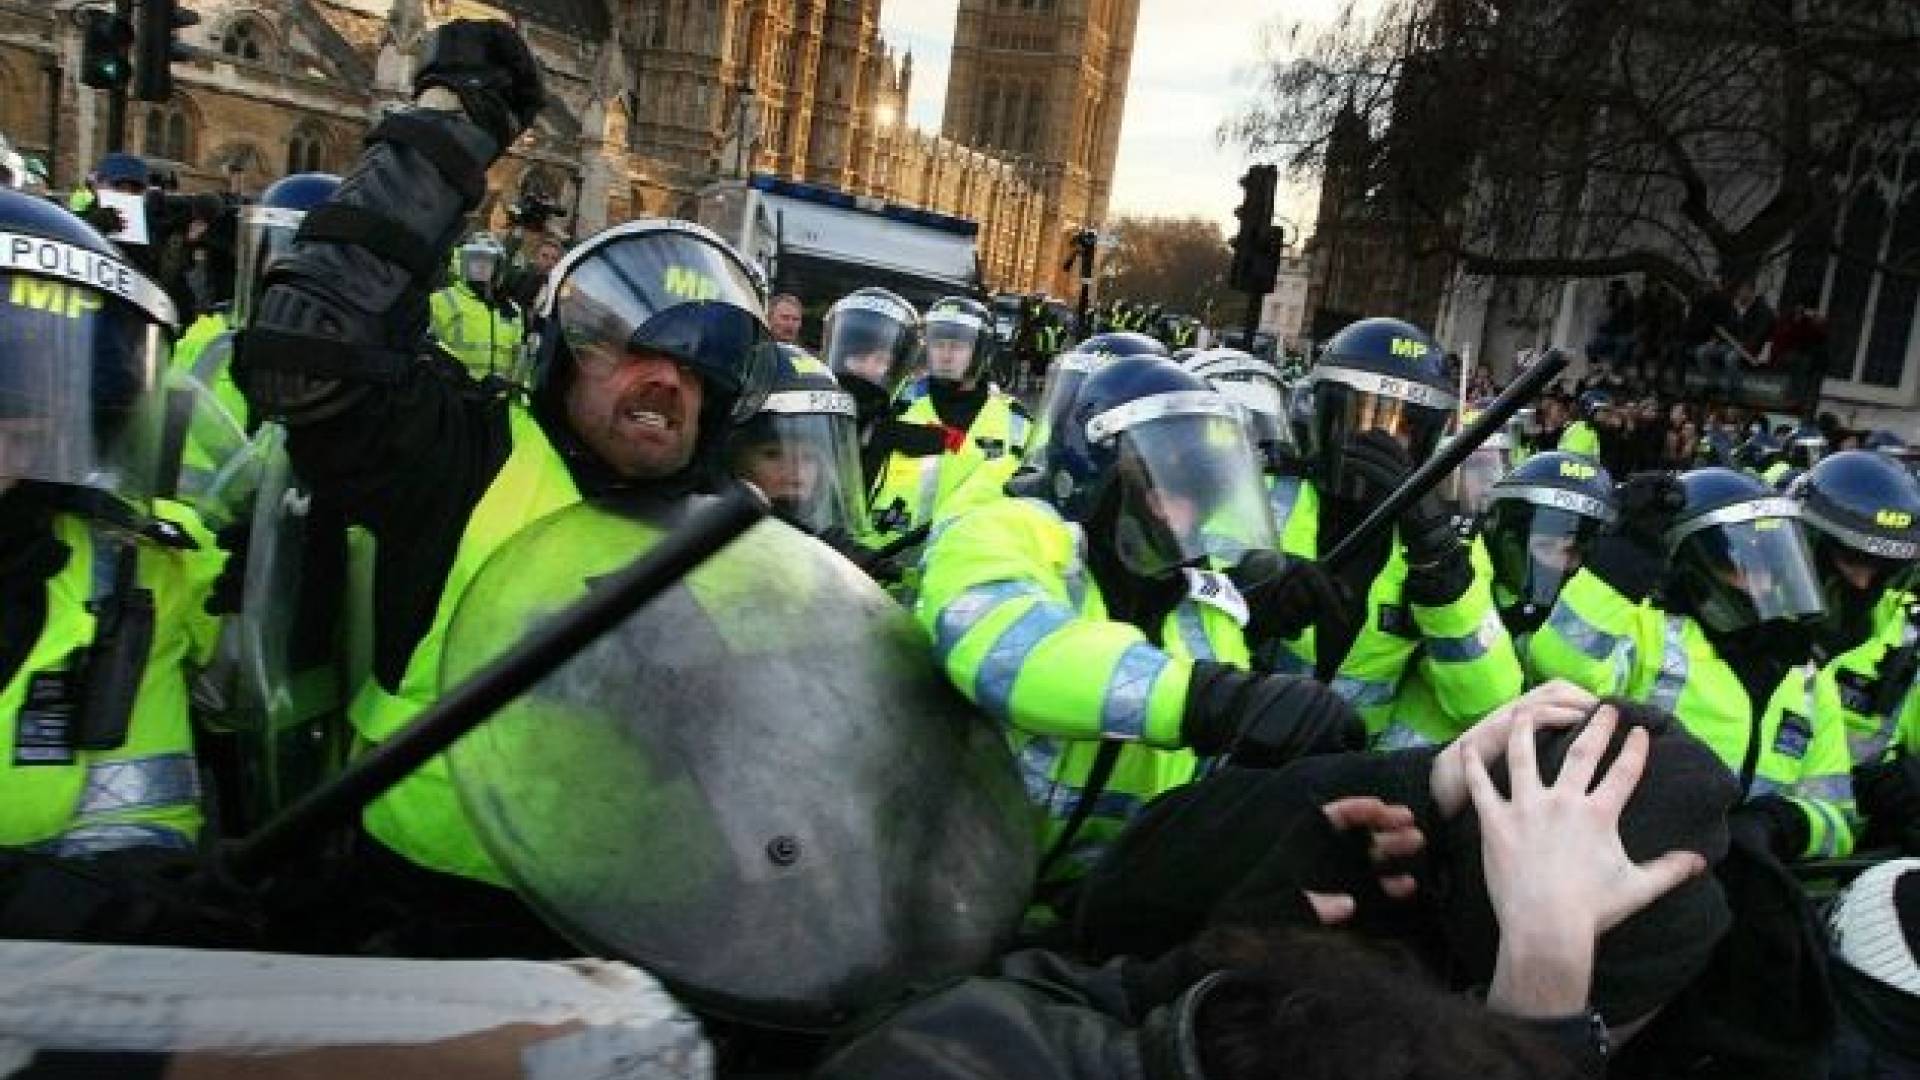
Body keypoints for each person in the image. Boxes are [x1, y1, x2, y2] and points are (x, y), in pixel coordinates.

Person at [232, 20, 776, 954]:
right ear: (567, 356)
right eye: (631, 348)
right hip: (407, 911)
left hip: (631, 931)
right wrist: (446, 130)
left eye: (694, 368)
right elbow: (303, 355)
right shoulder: (466, 452)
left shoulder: (742, 539)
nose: (663, 381)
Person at [917, 355, 1363, 916]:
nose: (1179, 512)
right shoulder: (1005, 531)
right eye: (1159, 485)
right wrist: (1214, 700)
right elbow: (1007, 651)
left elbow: (1199, 803)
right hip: (938, 897)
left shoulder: (1207, 616)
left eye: (1195, 492)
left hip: (1087, 917)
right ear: (1095, 479)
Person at [1529, 467, 1856, 861]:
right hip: (1626, 867)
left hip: (1749, 881)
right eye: (1740, 564)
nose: (1762, 583)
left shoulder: (1805, 677)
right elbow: (1560, 663)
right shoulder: (1644, 632)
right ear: (1691, 563)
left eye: (1771, 563)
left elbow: (1839, 822)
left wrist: (1781, 825)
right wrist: (1623, 559)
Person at [1236, 317, 1524, 750]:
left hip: (1353, 776)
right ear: (1324, 414)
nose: (1385, 441)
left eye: (1404, 427)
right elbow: (1183, 633)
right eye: (1364, 417)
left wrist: (1441, 569)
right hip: (1236, 750)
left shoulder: (1455, 546)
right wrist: (1253, 608)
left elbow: (1489, 704)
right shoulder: (1264, 499)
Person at [867, 295, 1030, 555]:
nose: (945, 355)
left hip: (968, 564)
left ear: (979, 352)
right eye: (938, 345)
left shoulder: (1016, 420)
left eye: (957, 347)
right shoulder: (897, 403)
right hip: (883, 559)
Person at [725, 343, 869, 544]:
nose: (797, 475)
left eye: (810, 458)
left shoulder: (819, 545)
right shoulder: (703, 543)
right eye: (773, 454)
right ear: (731, 457)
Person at [1481, 452, 1618, 650]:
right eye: (1547, 547)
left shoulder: (1602, 614)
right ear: (1507, 544)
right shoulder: (1470, 601)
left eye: (1574, 550)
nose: (1565, 564)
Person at [428, 232, 522, 381]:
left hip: (496, 399)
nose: (482, 266)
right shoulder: (441, 299)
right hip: (450, 394)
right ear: (463, 262)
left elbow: (518, 363)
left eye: (489, 261)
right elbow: (426, 349)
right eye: (476, 260)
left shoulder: (512, 310)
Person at [1560, 389, 1610, 460]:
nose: (1607, 415)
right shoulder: (1583, 432)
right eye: (1604, 410)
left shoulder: (1587, 429)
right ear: (1591, 411)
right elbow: (1573, 464)